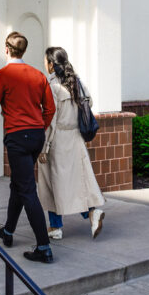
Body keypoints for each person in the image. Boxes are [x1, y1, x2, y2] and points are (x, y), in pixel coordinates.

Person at [0, 31, 57, 263]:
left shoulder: (1, 76)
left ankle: (44, 246)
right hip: (36, 136)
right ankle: (8, 230)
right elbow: (50, 109)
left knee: (27, 189)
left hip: (17, 137)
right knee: (19, 184)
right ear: (24, 50)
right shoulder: (38, 75)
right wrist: (41, 126)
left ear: (7, 49)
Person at [36, 46, 105, 241]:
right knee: (76, 186)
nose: (44, 64)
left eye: (45, 61)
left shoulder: (52, 86)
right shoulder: (77, 82)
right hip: (76, 139)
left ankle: (55, 227)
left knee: (51, 184)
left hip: (57, 140)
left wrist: (44, 148)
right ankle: (92, 212)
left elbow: (50, 119)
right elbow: (89, 104)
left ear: (51, 63)